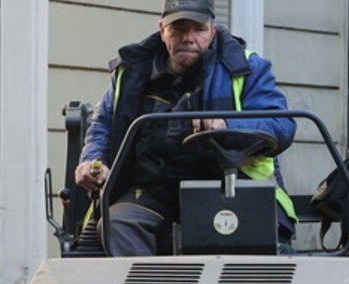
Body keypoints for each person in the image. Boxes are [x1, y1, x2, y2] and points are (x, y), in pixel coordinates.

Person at [73, 0, 296, 257]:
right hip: (155, 190)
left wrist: (228, 126)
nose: (188, 38)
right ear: (162, 30)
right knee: (118, 223)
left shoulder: (247, 68)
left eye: (198, 29)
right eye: (178, 29)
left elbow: (281, 125)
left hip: (230, 186)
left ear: (212, 30)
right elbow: (103, 124)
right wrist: (93, 161)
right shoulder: (132, 71)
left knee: (238, 234)